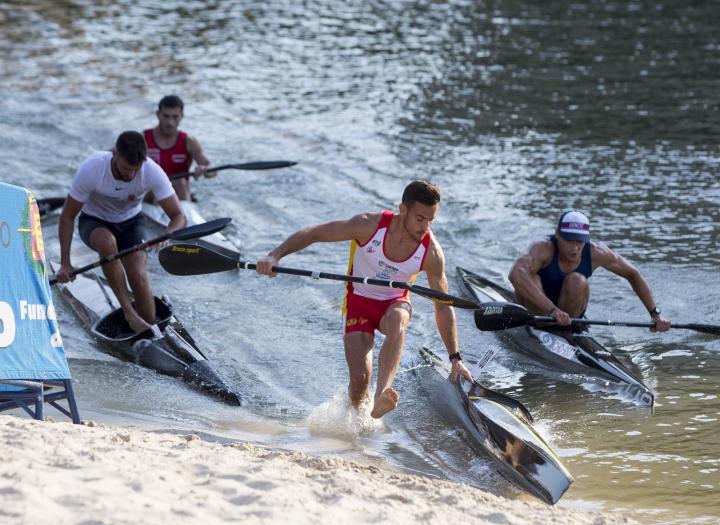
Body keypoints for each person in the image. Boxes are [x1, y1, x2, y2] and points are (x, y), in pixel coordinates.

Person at [256, 180, 472, 419]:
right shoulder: (368, 226)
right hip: (358, 301)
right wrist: (274, 256)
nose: (425, 226)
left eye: (431, 220)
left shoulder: (431, 253)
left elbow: (443, 306)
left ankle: (382, 394)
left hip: (394, 303)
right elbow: (314, 233)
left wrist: (455, 358)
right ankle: (356, 424)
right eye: (420, 218)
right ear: (403, 209)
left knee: (399, 318)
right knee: (359, 382)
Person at [56, 131, 186, 333]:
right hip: (93, 222)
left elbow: (179, 216)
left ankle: (153, 333)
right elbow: (67, 216)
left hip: (130, 224)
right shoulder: (92, 168)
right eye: (126, 168)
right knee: (108, 243)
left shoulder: (151, 171)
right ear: (114, 154)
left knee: (138, 276)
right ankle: (129, 313)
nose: (130, 175)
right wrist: (65, 263)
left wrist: (167, 234)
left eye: (135, 169)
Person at [509, 209, 671, 332]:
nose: (575, 248)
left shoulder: (597, 252)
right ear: (558, 234)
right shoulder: (543, 248)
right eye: (569, 240)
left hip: (568, 315)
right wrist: (552, 310)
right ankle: (545, 326)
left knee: (577, 280)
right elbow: (515, 273)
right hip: (537, 312)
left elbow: (633, 274)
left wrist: (655, 314)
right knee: (531, 276)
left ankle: (566, 331)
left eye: (580, 241)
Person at [144, 95, 214, 201]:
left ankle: (183, 214)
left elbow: (212, 170)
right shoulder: (143, 139)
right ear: (158, 114)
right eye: (166, 116)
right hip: (151, 195)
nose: (170, 122)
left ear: (182, 116)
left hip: (179, 193)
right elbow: (114, 157)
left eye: (175, 117)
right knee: (157, 186)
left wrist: (205, 170)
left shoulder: (189, 142)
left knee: (180, 182)